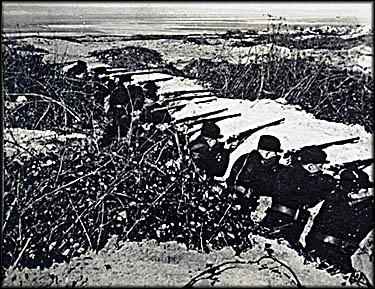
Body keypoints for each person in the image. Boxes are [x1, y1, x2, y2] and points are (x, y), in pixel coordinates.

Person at [259, 146, 337, 249]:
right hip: (284, 225)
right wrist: (330, 181)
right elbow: (311, 195)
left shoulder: (287, 172)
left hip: (275, 221)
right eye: (320, 166)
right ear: (310, 167)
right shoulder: (299, 178)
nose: (322, 170)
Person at [304, 167, 374, 273]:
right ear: (351, 194)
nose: (367, 194)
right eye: (364, 191)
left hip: (315, 249)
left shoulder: (332, 199)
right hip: (336, 257)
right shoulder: (365, 208)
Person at [226, 135, 286, 215]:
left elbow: (231, 180)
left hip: (235, 201)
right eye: (275, 153)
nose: (276, 156)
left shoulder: (244, 159)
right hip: (249, 206)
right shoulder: (272, 167)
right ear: (267, 153)